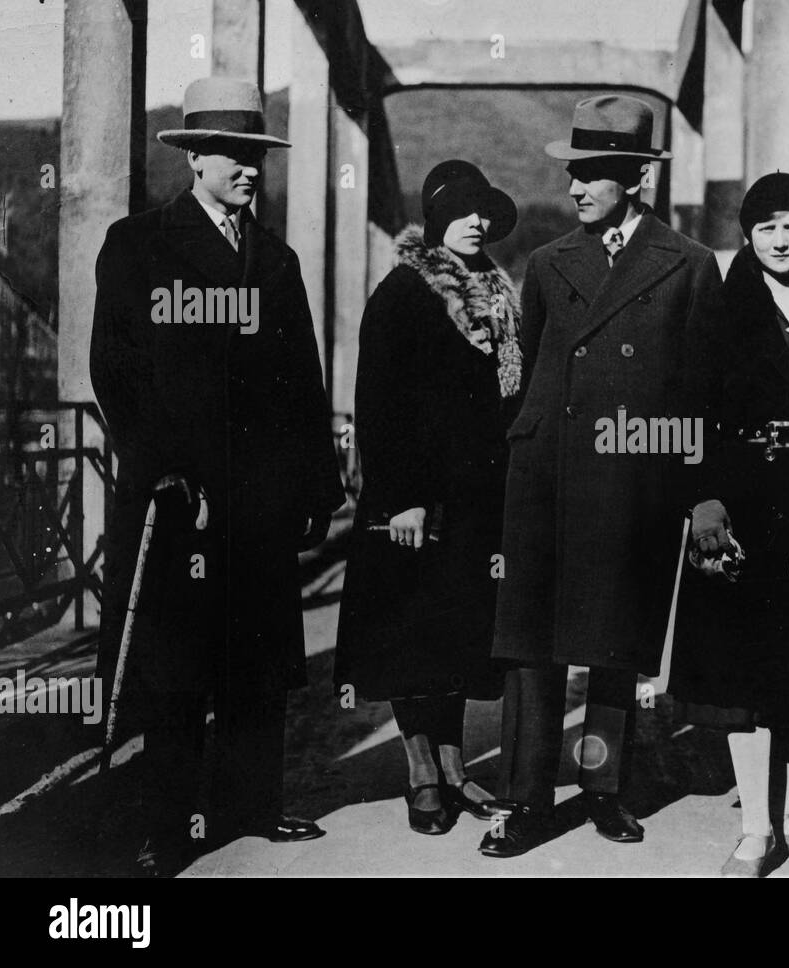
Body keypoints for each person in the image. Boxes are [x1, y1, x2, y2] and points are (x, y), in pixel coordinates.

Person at [89, 78, 343, 875]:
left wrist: (316, 487)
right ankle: (165, 826)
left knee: (256, 659)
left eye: (256, 157)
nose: (248, 171)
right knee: (174, 667)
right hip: (178, 499)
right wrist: (162, 471)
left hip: (260, 498)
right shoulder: (139, 245)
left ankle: (251, 808)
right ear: (194, 158)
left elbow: (302, 381)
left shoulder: (275, 258)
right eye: (233, 156)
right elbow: (115, 372)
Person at [480, 95, 724, 859]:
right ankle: (523, 801)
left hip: (631, 481)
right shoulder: (549, 263)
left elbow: (702, 391)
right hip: (548, 477)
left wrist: (695, 490)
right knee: (533, 648)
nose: (577, 188)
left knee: (614, 649)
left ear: (635, 180)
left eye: (593, 175)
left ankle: (602, 789)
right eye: (575, 174)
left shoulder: (688, 265)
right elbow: (525, 375)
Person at [669, 173, 789, 877]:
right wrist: (703, 500)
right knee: (742, 674)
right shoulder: (718, 299)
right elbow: (687, 401)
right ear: (748, 234)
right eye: (768, 226)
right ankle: (755, 829)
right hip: (739, 506)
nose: (782, 239)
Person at [334, 160, 521, 835]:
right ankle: (422, 775)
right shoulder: (404, 294)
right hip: (416, 505)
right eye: (462, 211)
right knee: (412, 643)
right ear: (436, 219)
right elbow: (379, 404)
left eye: (485, 213)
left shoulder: (497, 293)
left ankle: (457, 767)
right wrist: (400, 500)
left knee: (456, 639)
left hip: (474, 505)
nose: (476, 223)